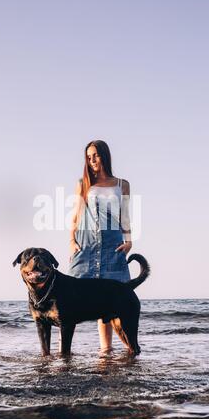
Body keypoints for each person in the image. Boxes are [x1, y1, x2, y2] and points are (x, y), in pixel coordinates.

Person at [68, 140, 132, 352]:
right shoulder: (83, 183)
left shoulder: (122, 184)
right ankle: (64, 353)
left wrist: (129, 240)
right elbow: (76, 216)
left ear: (104, 155)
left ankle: (106, 352)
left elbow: (124, 215)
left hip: (113, 246)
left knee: (111, 302)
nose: (92, 160)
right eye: (88, 156)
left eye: (95, 155)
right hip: (86, 246)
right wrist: (71, 241)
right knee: (72, 300)